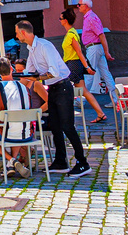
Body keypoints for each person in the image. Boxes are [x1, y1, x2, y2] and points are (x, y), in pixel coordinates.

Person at [14, 20, 89, 177]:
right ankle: (61, 161)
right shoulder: (31, 49)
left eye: (16, 32)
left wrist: (37, 78)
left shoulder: (44, 46)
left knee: (68, 126)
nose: (15, 35)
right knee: (55, 126)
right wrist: (15, 88)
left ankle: (83, 163)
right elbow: (29, 74)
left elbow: (53, 72)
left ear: (23, 33)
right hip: (53, 89)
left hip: (62, 87)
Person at [0, 58, 42, 177]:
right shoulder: (25, 88)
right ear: (12, 69)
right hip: (27, 134)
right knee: (16, 126)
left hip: (8, 134)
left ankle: (12, 160)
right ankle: (11, 164)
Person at [60, 8, 107, 124]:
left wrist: (87, 67)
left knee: (68, 88)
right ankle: (100, 113)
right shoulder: (70, 33)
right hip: (70, 64)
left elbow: (79, 52)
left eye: (60, 19)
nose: (59, 21)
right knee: (82, 90)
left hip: (73, 65)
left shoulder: (72, 34)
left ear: (65, 20)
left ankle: (64, 115)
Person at [78, 0, 117, 109]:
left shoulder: (90, 18)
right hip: (95, 47)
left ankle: (81, 99)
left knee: (89, 72)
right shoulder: (90, 17)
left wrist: (107, 51)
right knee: (105, 73)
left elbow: (101, 35)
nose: (78, 7)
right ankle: (115, 99)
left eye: (79, 5)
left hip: (94, 48)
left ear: (86, 6)